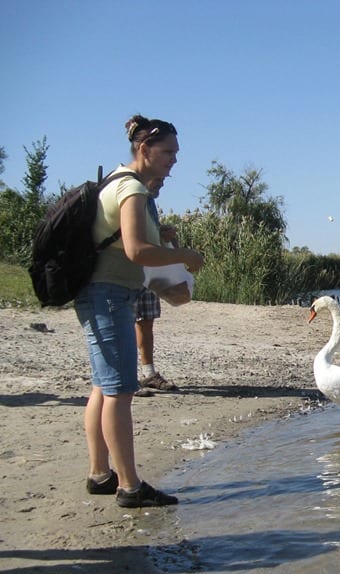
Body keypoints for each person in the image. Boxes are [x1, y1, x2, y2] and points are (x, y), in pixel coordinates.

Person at [75, 115, 204, 507]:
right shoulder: (132, 189)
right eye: (168, 152)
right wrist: (185, 255)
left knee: (103, 385)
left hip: (101, 292)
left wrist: (161, 244)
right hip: (110, 295)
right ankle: (129, 486)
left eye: (176, 153)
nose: (174, 160)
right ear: (144, 149)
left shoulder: (116, 181)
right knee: (119, 390)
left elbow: (126, 244)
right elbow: (134, 251)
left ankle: (100, 474)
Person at [134, 177, 179, 395]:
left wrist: (162, 233)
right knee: (126, 321)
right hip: (130, 271)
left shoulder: (149, 201)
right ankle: (127, 378)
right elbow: (132, 236)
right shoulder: (133, 193)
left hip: (148, 271)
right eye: (159, 181)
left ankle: (148, 373)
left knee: (146, 319)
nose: (161, 184)